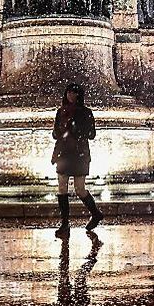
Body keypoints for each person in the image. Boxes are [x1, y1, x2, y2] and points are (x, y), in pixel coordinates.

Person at [52, 83, 103, 237]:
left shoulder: (86, 112)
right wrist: (58, 133)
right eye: (68, 92)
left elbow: (92, 134)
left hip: (79, 153)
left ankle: (95, 213)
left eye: (73, 93)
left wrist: (76, 130)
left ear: (79, 95)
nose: (70, 95)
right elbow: (56, 133)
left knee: (80, 189)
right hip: (64, 153)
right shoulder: (61, 111)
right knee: (62, 187)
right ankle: (65, 224)